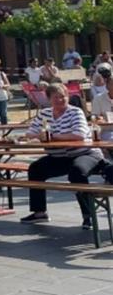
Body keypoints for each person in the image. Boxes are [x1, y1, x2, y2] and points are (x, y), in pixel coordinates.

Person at [20, 83, 109, 227]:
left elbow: (79, 135)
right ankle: (39, 212)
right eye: (56, 97)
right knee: (35, 169)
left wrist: (52, 136)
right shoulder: (44, 114)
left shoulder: (75, 112)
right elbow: (29, 133)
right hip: (59, 156)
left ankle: (88, 216)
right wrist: (40, 135)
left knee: (77, 172)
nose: (61, 100)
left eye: (63, 96)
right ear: (49, 99)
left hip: (86, 153)